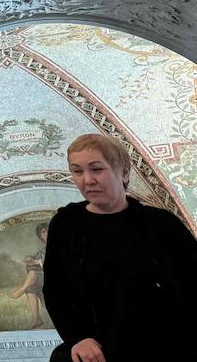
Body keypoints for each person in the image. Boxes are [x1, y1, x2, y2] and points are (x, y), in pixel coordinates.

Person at [43, 133, 197, 362]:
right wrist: (78, 337)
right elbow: (57, 290)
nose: (87, 180)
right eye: (77, 171)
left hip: (167, 349)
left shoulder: (162, 224)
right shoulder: (66, 225)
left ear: (123, 172)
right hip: (99, 352)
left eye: (96, 169)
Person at [7, 222, 48, 329]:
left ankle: (21, 289)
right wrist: (30, 260)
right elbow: (36, 264)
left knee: (33, 274)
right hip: (45, 278)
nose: (45, 234)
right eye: (43, 232)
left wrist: (35, 262)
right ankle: (37, 319)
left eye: (46, 230)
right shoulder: (42, 251)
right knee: (31, 285)